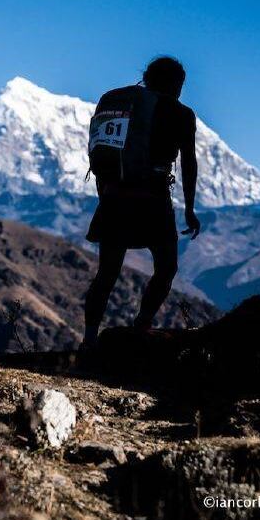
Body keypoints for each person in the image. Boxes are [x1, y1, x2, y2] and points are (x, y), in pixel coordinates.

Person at [82, 56, 200, 347]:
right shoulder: (181, 114)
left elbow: (102, 153)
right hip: (153, 200)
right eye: (180, 84)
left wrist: (106, 195)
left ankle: (89, 339)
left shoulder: (120, 106)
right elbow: (189, 163)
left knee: (106, 274)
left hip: (114, 197)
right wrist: (189, 208)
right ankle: (142, 326)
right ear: (174, 83)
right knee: (166, 266)